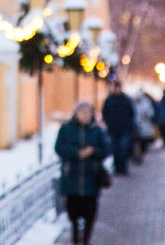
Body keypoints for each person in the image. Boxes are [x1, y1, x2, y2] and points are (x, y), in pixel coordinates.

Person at [55, 101, 111, 245]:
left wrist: (93, 151)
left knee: (90, 214)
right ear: (76, 113)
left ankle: (86, 239)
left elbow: (106, 149)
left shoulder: (97, 131)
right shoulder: (66, 129)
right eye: (82, 112)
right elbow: (59, 147)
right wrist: (76, 153)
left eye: (88, 112)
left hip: (91, 178)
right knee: (73, 213)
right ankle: (75, 237)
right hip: (72, 177)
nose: (85, 115)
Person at [101, 81, 136, 175]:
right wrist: (108, 123)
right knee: (115, 149)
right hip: (113, 129)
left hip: (124, 129)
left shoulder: (126, 99)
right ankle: (117, 168)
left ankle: (123, 168)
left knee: (123, 149)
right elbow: (105, 113)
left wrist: (129, 125)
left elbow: (131, 113)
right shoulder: (109, 100)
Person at [132, 89, 156, 163]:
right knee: (136, 142)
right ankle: (137, 156)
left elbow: (151, 113)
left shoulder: (146, 103)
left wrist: (146, 115)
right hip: (136, 126)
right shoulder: (134, 104)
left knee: (143, 142)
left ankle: (140, 155)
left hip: (144, 125)